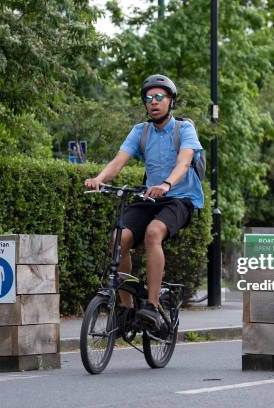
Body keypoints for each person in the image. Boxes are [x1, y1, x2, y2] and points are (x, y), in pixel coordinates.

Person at [84, 74, 204, 332]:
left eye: (159, 97)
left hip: (179, 199)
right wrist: (99, 178)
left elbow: (184, 162)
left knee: (153, 233)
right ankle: (127, 309)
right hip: (149, 198)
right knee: (118, 239)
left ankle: (151, 305)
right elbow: (119, 161)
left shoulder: (184, 129)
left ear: (171, 101)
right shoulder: (141, 131)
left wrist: (166, 184)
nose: (153, 102)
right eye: (149, 98)